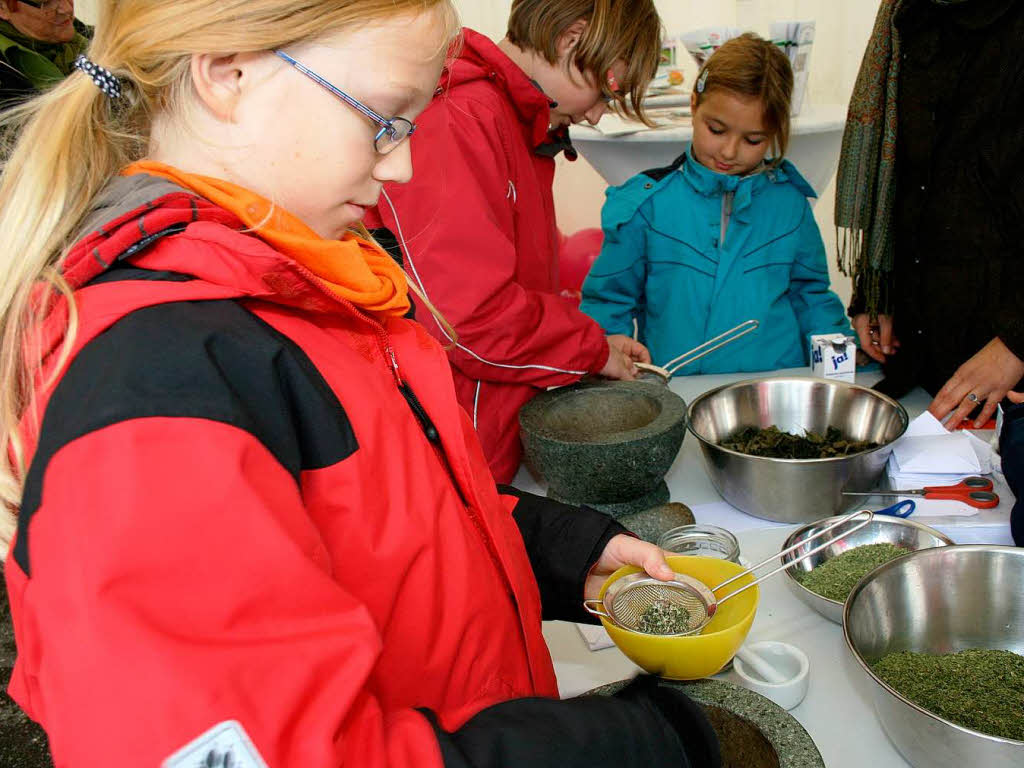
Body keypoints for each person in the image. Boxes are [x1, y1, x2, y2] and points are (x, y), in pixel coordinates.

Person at [0, 1, 723, 765]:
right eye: (383, 118)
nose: (402, 164)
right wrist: (627, 747)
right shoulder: (160, 378)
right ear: (227, 74)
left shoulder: (313, 293)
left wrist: (562, 549)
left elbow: (396, 517)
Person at [365, 0, 659, 484]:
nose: (597, 115)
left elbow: (513, 284)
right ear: (573, 37)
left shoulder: (512, 117)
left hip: (488, 426)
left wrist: (592, 345)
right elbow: (468, 320)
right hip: (453, 445)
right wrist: (588, 349)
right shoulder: (460, 115)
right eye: (609, 89)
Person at [580, 33, 850, 375]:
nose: (729, 152)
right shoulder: (646, 204)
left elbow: (812, 296)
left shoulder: (790, 203)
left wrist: (842, 365)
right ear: (695, 104)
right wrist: (606, 353)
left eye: (753, 140)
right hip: (678, 392)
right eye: (717, 129)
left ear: (776, 132)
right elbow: (608, 300)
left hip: (774, 391)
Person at [836, 0, 1024, 432]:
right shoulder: (908, 12)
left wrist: (1016, 342)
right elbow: (906, 173)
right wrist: (875, 292)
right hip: (922, 352)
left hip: (1005, 365)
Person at [0, 0, 89, 105]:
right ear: (2, 8)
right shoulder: (6, 72)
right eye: (46, 3)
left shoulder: (100, 40)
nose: (67, 9)